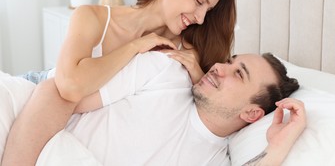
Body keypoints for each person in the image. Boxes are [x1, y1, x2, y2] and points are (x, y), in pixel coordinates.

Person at [1, 0, 236, 165]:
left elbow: (206, 109)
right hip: (40, 89)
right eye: (198, 2)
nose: (201, 17)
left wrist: (197, 74)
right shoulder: (93, 17)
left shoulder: (184, 52)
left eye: (208, 10)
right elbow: (68, 87)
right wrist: (135, 47)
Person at [2, 51, 305, 165]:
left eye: (238, 74)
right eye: (229, 61)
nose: (218, 68)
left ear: (252, 114)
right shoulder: (165, 72)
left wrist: (277, 151)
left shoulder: (213, 161)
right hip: (22, 120)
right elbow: (54, 93)